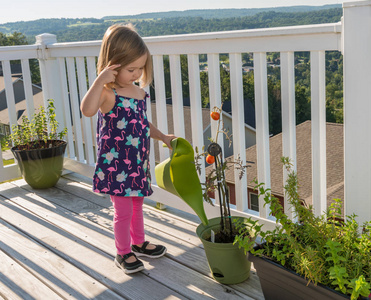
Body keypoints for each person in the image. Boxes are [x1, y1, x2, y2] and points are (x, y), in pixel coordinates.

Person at [81, 24, 176, 274]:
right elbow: (87, 110)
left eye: (140, 68)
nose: (136, 73)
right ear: (113, 64)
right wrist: (100, 80)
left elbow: (143, 124)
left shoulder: (140, 94)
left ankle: (139, 242)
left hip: (136, 163)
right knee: (122, 211)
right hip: (116, 166)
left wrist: (163, 137)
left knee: (137, 204)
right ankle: (123, 253)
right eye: (130, 69)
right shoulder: (106, 93)